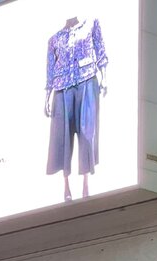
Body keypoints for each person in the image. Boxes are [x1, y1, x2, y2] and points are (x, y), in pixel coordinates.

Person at [45, 15, 109, 201]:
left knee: (86, 132)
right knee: (63, 136)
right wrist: (47, 96)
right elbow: (50, 70)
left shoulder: (91, 24)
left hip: (87, 80)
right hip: (62, 88)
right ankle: (66, 184)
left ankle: (85, 183)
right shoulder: (54, 39)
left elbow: (100, 50)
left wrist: (104, 77)